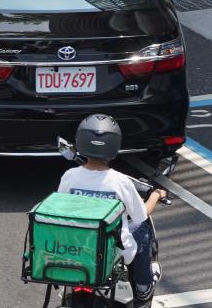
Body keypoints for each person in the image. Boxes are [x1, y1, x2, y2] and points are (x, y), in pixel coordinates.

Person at [57, 114, 165, 307]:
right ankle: (143, 286)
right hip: (114, 253)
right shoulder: (120, 182)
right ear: (114, 146)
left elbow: (60, 209)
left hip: (76, 249)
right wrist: (156, 195)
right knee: (143, 230)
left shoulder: (69, 176)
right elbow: (141, 215)